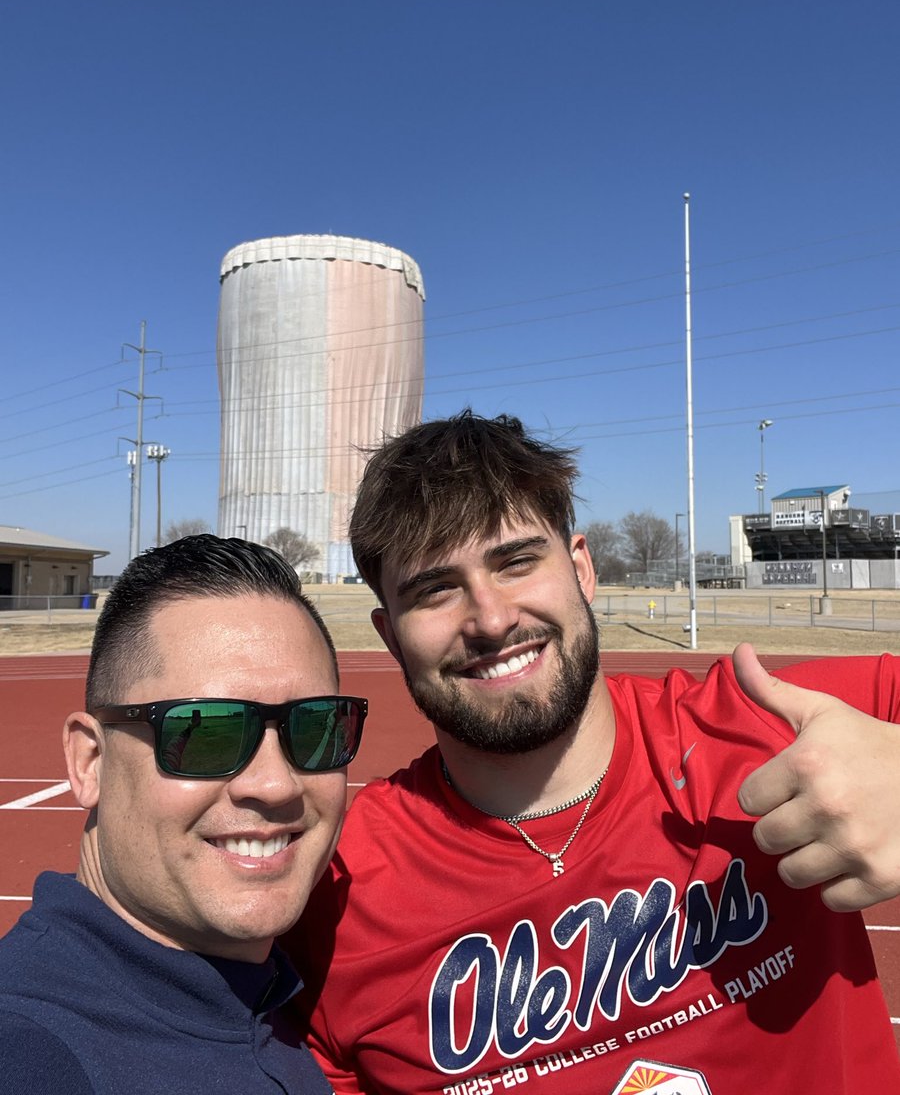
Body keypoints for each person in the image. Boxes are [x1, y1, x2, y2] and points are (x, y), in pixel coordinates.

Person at [289, 410, 900, 1094]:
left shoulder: (765, 725)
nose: (490, 619)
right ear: (391, 635)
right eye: (435, 589)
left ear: (581, 568)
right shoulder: (336, 897)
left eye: (516, 561)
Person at [0, 534, 368, 1094]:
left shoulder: (276, 1000)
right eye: (206, 731)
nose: (274, 783)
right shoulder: (31, 1049)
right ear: (90, 760)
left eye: (316, 727)